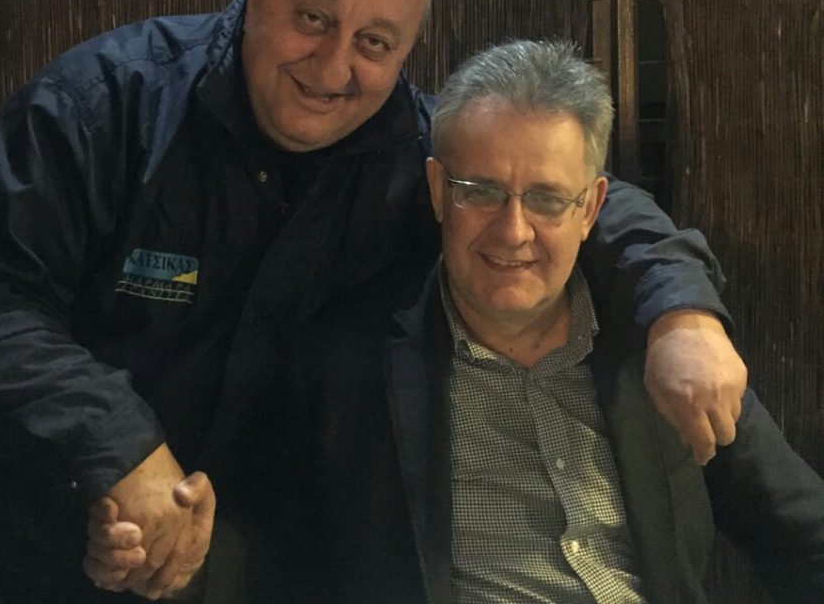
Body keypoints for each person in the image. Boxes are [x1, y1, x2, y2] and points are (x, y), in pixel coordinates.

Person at [0, 0, 746, 603]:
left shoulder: (416, 155)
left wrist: (682, 312)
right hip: (45, 533)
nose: (332, 65)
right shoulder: (109, 102)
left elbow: (580, 198)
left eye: (374, 42)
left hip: (268, 564)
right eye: (313, 19)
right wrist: (116, 446)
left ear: (407, 51)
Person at [228, 40, 824, 604]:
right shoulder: (343, 364)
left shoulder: (664, 347)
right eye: (481, 192)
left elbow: (802, 532)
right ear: (437, 191)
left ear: (591, 208)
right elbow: (280, 572)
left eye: (546, 199)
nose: (513, 231)